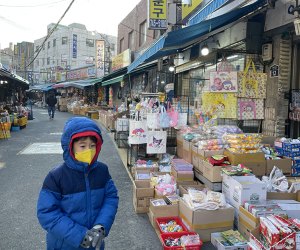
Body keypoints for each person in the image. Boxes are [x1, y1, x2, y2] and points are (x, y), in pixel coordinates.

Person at [37, 117, 119, 250]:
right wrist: (80, 236)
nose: (89, 150)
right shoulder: (56, 176)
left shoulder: (102, 171)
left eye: (92, 146)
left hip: (95, 243)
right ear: (70, 146)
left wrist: (101, 226)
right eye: (82, 146)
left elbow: (111, 198)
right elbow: (47, 213)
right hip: (63, 245)